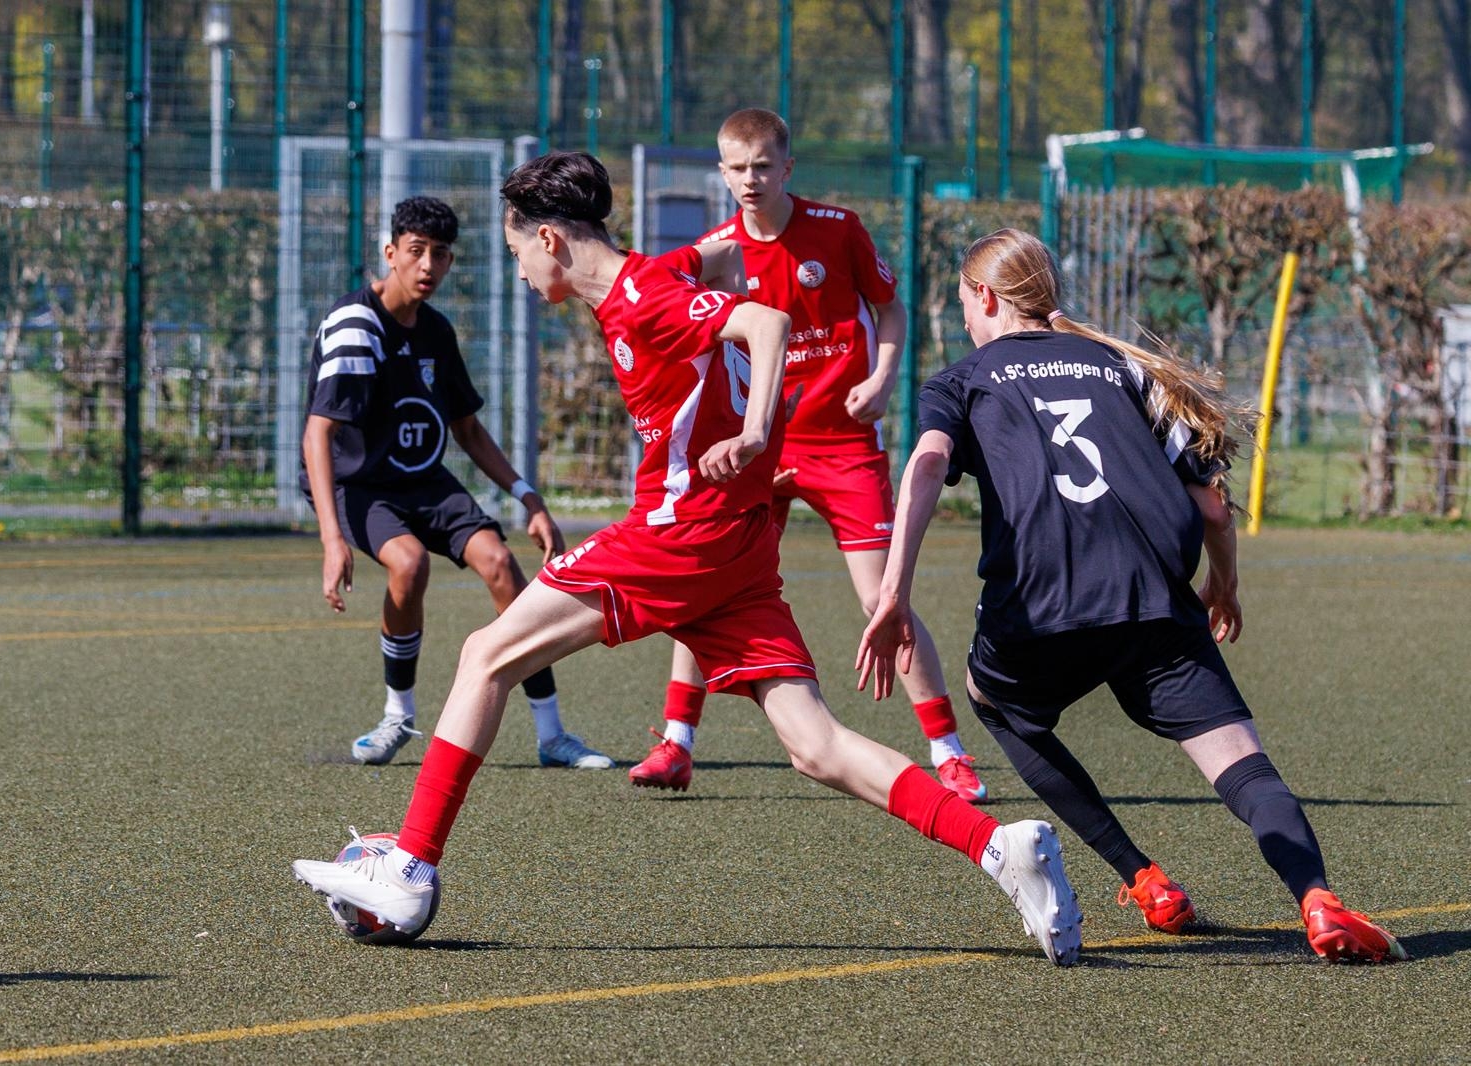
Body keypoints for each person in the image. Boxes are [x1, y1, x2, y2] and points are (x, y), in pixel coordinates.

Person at [292, 153, 1083, 965]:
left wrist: (755, 432)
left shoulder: (642, 298)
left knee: (485, 654)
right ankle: (1000, 848)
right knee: (814, 745)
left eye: (518, 250)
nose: (520, 270)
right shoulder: (646, 283)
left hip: (682, 535)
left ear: (552, 240)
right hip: (737, 550)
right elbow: (730, 281)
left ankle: (409, 869)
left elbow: (767, 324)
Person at [858, 227, 1406, 964]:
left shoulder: (962, 380)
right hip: (1151, 594)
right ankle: (1316, 898)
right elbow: (1213, 507)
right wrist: (1224, 584)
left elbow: (926, 467)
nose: (964, 317)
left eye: (962, 302)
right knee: (1241, 762)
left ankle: (1143, 878)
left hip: (1040, 603)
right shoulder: (1123, 366)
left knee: (995, 703)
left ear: (984, 297)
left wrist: (893, 592)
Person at [627, 108, 987, 803]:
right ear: (721, 173)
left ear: (787, 167)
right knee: (703, 579)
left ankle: (948, 752)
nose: (751, 179)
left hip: (840, 443)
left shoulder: (837, 229)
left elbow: (890, 310)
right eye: (738, 168)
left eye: (764, 166)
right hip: (753, 445)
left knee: (882, 596)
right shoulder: (714, 253)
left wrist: (881, 379)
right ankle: (676, 742)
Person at [301, 195, 611, 771]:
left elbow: (467, 428)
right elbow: (318, 434)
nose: (428, 265)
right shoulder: (355, 325)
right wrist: (331, 539)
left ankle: (552, 734)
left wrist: (529, 497)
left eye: (440, 254)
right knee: (409, 563)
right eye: (416, 251)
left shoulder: (436, 331)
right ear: (391, 253)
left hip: (424, 481)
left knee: (500, 563)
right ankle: (397, 716)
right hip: (359, 485)